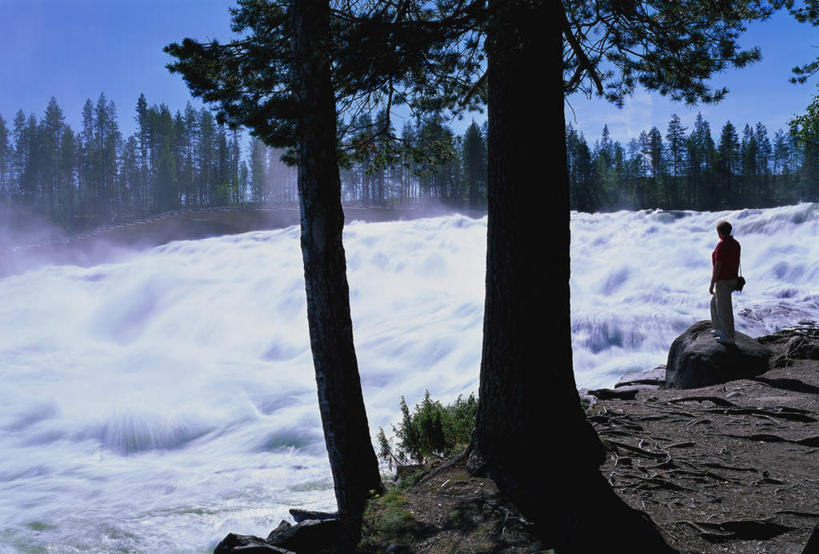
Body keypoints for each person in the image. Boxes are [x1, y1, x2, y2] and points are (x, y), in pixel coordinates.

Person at [709, 220, 741, 345]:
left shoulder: (722, 245)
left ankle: (728, 336)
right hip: (733, 278)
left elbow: (718, 265)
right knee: (714, 304)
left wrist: (712, 283)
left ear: (720, 233)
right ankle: (718, 328)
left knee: (724, 309)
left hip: (724, 280)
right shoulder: (736, 243)